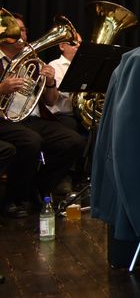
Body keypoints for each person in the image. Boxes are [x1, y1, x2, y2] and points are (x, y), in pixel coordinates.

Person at [0, 13, 84, 218]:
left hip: (29, 118)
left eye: (24, 30)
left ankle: (39, 186)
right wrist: (2, 88)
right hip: (3, 119)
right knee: (30, 140)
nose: (22, 35)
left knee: (73, 141)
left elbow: (50, 101)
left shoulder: (33, 61)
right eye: (16, 30)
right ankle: (14, 198)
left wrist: (51, 83)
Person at [46, 33, 84, 132]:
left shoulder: (85, 67)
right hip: (62, 115)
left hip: (80, 115)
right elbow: (59, 93)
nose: (78, 45)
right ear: (62, 46)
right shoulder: (55, 65)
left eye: (80, 43)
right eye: (73, 43)